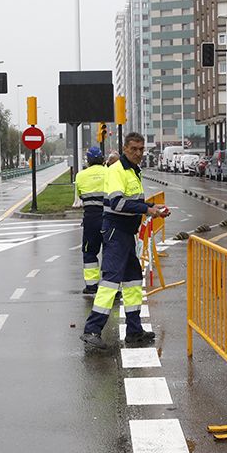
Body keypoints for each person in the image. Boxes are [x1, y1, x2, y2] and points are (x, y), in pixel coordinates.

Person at [82, 131, 169, 351]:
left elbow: (133, 202)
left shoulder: (133, 171)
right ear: (125, 149)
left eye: (141, 149)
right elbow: (118, 203)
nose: (139, 153)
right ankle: (92, 330)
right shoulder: (116, 171)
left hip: (127, 233)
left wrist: (152, 208)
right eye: (134, 149)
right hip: (115, 231)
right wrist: (148, 209)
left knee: (132, 281)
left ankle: (134, 330)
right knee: (111, 281)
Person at [74, 147, 108, 296]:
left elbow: (80, 197)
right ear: (102, 159)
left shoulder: (80, 176)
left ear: (88, 161)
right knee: (111, 251)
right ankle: (112, 285)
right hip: (109, 217)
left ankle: (91, 285)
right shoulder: (110, 173)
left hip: (91, 219)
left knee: (89, 251)